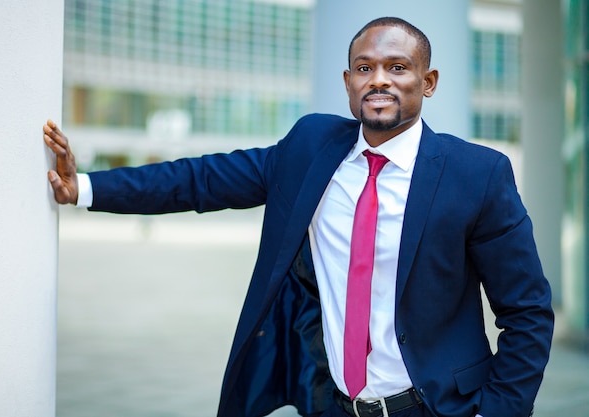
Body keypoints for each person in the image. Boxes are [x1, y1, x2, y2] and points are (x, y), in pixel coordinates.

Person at [44, 17, 554, 417]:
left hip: (439, 408)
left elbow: (526, 311)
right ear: (348, 81)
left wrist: (497, 412)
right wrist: (83, 186)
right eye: (364, 67)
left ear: (429, 80)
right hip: (333, 405)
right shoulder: (311, 147)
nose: (379, 80)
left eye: (398, 67)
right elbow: (201, 180)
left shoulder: (477, 173)